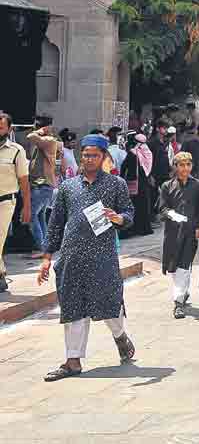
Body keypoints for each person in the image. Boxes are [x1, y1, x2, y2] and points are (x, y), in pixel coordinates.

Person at [37, 134, 137, 381]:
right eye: (85, 154)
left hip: (102, 256)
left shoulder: (116, 184)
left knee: (108, 304)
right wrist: (47, 256)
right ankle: (73, 361)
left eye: (94, 155)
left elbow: (129, 213)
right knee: (73, 308)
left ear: (103, 157)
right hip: (72, 257)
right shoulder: (68, 188)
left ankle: (120, 336)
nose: (89, 159)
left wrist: (119, 218)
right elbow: (55, 222)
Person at [157, 152, 199, 318]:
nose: (185, 168)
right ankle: (183, 292)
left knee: (184, 266)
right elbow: (162, 209)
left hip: (190, 232)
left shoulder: (198, 185)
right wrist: (173, 215)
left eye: (188, 165)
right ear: (175, 167)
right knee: (174, 267)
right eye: (181, 165)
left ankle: (178, 303)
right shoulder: (166, 186)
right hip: (172, 233)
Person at [0, 112, 31, 293]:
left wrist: (27, 206)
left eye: (1, 127)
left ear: (9, 129)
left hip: (5, 202)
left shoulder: (17, 151)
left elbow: (24, 181)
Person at [24, 115, 62, 255]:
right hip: (40, 184)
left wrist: (40, 131)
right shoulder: (44, 141)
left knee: (31, 215)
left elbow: (30, 136)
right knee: (40, 217)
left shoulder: (49, 140)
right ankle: (46, 247)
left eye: (37, 125)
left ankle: (42, 247)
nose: (34, 127)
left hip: (43, 184)